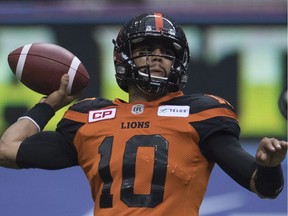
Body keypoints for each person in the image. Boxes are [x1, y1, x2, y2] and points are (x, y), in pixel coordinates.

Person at [0, 12, 287, 216]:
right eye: (146, 49)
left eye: (167, 51)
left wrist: (269, 165)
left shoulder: (202, 113)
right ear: (123, 57)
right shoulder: (87, 117)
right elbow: (7, 150)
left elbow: (263, 187)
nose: (158, 56)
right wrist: (51, 103)